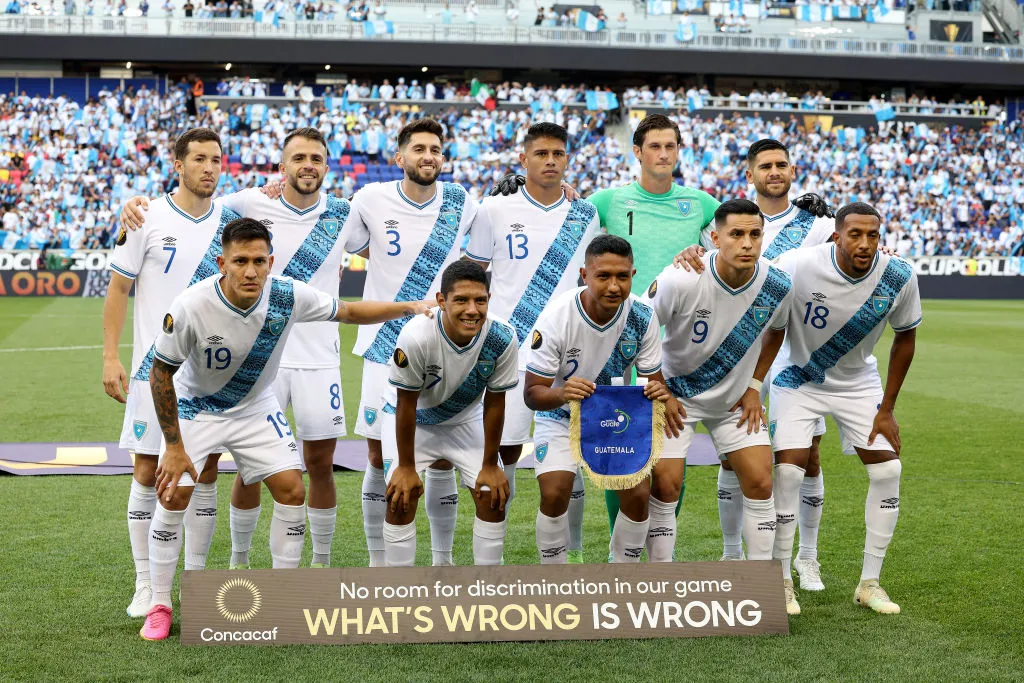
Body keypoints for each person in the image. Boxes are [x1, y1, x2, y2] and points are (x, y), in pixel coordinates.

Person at [138, 218, 431, 641]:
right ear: (222, 263)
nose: (251, 271)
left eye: (259, 261)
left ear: (271, 262)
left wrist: (409, 307)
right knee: (174, 491)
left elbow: (347, 311)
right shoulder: (191, 305)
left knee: (293, 489)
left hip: (255, 408)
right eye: (240, 261)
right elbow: (161, 375)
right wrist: (173, 446)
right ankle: (160, 603)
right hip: (197, 407)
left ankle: (283, 593)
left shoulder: (287, 295)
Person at [118, 127, 354, 570]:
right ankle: (226, 567)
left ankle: (318, 569)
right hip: (248, 358)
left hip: (317, 354)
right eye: (297, 158)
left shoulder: (346, 212)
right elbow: (191, 203)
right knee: (233, 470)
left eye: (316, 158)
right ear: (280, 168)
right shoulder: (247, 203)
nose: (308, 165)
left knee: (316, 463)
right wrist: (134, 203)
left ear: (327, 165)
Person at [675, 138, 835, 577]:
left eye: (782, 164)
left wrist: (834, 215)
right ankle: (733, 554)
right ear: (751, 174)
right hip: (740, 351)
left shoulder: (818, 223)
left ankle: (807, 558)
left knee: (806, 455)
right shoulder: (730, 217)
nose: (775, 172)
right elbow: (696, 259)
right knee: (735, 454)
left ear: (793, 170)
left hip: (794, 353)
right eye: (765, 166)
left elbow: (854, 253)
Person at [103, 128, 240, 619]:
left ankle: (196, 581)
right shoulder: (147, 216)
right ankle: (145, 583)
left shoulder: (233, 220)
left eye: (216, 160)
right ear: (177, 164)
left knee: (204, 475)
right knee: (146, 472)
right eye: (199, 159)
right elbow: (118, 289)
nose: (209, 167)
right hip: (150, 371)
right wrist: (109, 357)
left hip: (208, 377)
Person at [768, 202, 921, 616]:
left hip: (857, 383)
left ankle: (869, 583)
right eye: (855, 234)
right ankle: (780, 581)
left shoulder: (899, 275)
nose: (865, 243)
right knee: (787, 472)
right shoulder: (797, 264)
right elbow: (755, 289)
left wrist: (886, 408)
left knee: (889, 470)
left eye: (873, 235)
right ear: (836, 235)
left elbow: (905, 337)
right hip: (797, 378)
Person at [342, 118, 479, 568]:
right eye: (418, 148)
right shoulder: (368, 199)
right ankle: (380, 564)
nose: (428, 156)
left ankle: (442, 563)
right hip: (384, 344)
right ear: (399, 158)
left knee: (440, 455)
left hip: (443, 347)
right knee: (379, 455)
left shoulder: (461, 201)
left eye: (435, 149)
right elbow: (321, 221)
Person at [465, 122, 601, 563]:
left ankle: (571, 555)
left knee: (572, 454)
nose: (550, 161)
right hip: (510, 352)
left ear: (567, 160)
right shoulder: (494, 208)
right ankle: (492, 560)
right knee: (499, 453)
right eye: (540, 153)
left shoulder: (586, 215)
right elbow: (473, 273)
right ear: (523, 160)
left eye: (558, 154)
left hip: (570, 355)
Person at [643, 199, 794, 570]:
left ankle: (759, 582)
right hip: (677, 397)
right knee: (666, 486)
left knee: (761, 482)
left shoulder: (777, 284)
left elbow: (777, 331)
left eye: (755, 234)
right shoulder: (682, 277)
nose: (747, 243)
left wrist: (754, 385)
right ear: (715, 238)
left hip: (734, 403)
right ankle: (660, 580)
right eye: (736, 234)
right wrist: (659, 388)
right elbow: (640, 327)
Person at [524, 235, 684, 564]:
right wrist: (562, 393)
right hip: (560, 417)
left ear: (633, 274)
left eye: (622, 277)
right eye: (603, 276)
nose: (614, 286)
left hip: (612, 418)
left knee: (639, 493)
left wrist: (659, 394)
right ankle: (553, 578)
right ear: (585, 274)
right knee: (555, 491)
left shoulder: (642, 316)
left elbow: (655, 382)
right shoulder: (557, 317)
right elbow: (532, 394)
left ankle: (621, 574)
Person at [382, 261, 518, 566]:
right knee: (400, 496)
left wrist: (489, 464)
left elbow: (496, 403)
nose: (472, 310)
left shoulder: (502, 337)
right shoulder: (417, 336)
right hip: (412, 421)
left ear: (488, 299)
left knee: (491, 494)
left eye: (480, 300)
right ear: (441, 301)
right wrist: (406, 467)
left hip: (465, 421)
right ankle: (396, 591)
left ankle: (488, 591)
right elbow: (406, 403)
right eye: (461, 300)